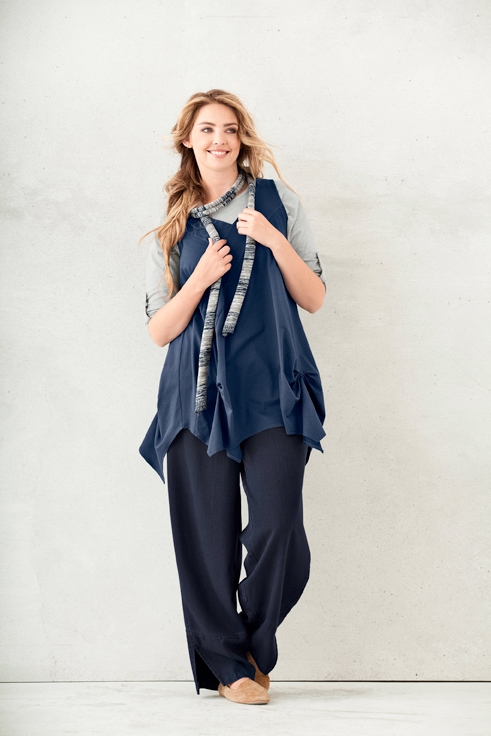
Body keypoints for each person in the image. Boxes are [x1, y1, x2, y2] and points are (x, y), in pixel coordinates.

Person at [139, 89, 327, 705]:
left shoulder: (280, 202)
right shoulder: (173, 222)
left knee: (279, 524)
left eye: (229, 128)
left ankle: (251, 645)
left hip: (273, 388)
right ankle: (229, 668)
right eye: (206, 129)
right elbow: (159, 330)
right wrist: (198, 279)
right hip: (195, 399)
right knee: (206, 538)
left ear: (242, 137)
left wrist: (274, 240)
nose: (218, 139)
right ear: (188, 140)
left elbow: (314, 297)